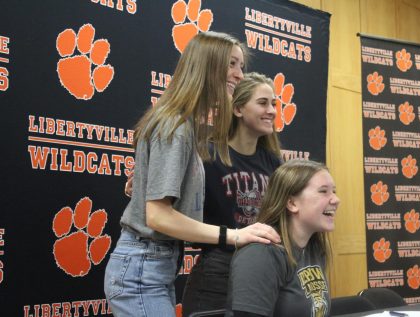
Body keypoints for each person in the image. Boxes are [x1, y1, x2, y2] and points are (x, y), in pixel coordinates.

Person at [103, 32, 280, 317]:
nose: (239, 74)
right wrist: (235, 235)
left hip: (155, 267)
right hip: (141, 268)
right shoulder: (175, 124)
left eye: (241, 66)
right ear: (208, 65)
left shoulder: (185, 125)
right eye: (232, 64)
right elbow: (158, 216)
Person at [181, 72, 282, 316]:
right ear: (238, 109)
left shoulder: (273, 162)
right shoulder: (207, 156)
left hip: (262, 269)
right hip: (217, 273)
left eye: (274, 104)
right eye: (262, 103)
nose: (272, 110)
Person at [226, 159, 340, 317]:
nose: (336, 199)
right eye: (323, 191)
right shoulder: (260, 254)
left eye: (334, 191)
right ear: (292, 203)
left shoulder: (315, 248)